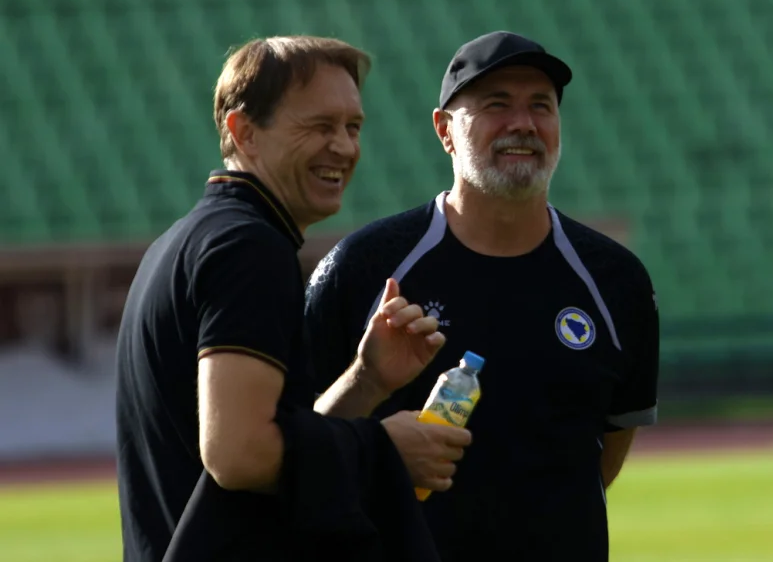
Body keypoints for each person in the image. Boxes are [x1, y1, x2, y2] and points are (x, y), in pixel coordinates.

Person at [303, 31, 660, 561]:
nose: (524, 123)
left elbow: (605, 448)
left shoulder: (615, 278)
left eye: (541, 106)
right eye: (497, 105)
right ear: (445, 130)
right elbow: (300, 438)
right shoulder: (367, 267)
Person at [114, 35, 471, 562]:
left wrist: (365, 381)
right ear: (244, 132)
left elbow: (271, 448)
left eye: (353, 128)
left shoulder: (188, 238)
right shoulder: (248, 247)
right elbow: (237, 454)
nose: (346, 147)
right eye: (319, 126)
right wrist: (382, 451)